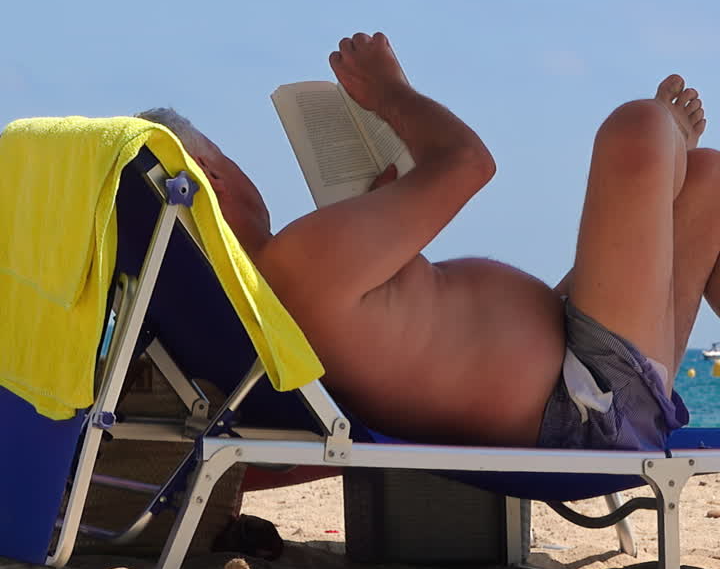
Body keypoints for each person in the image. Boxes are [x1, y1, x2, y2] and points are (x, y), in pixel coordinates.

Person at [143, 31, 718, 453]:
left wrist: (379, 197)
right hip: (590, 399)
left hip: (578, 363)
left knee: (708, 183)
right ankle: (666, 147)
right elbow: (469, 163)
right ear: (209, 175)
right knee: (638, 130)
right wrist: (389, 94)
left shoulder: (265, 291)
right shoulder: (289, 266)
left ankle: (673, 161)